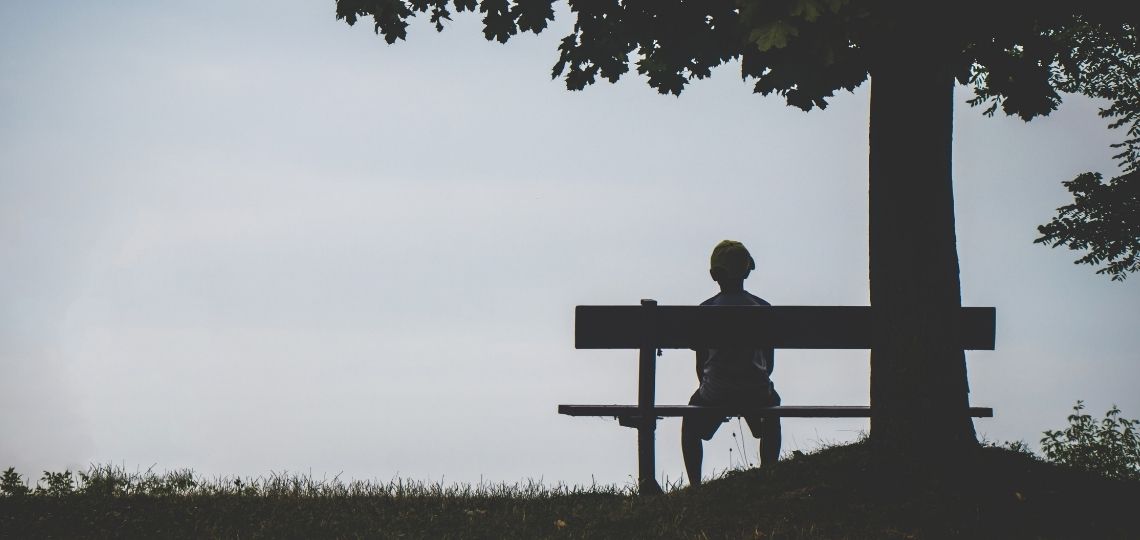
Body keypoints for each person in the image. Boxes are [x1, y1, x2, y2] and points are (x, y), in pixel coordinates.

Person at [682, 240, 782, 487]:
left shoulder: (705, 311)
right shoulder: (763, 309)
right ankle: (768, 474)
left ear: (714, 275)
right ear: (747, 271)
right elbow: (768, 365)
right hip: (756, 391)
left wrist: (715, 390)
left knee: (690, 423)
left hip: (716, 391)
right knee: (773, 405)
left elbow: (700, 365)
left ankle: (695, 485)